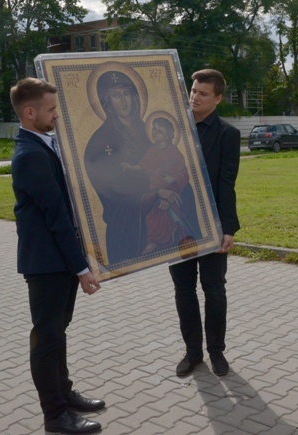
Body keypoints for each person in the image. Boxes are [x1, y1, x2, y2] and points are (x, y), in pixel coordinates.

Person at [10, 77, 105, 435]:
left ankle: (64, 393)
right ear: (30, 112)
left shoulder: (45, 144)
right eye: (51, 110)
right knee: (47, 338)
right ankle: (55, 415)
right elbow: (57, 218)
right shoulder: (30, 155)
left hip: (58, 260)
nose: (57, 116)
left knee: (57, 332)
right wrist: (82, 268)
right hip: (47, 264)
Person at [170, 69, 241, 377]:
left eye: (203, 93)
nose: (195, 97)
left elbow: (227, 184)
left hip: (211, 225)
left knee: (214, 290)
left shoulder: (228, 134)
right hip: (175, 224)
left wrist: (228, 229)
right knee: (183, 289)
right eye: (193, 91)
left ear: (218, 99)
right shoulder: (174, 129)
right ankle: (193, 352)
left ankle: (216, 351)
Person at [84, 69, 155, 266]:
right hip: (125, 222)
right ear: (107, 102)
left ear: (135, 97)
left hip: (155, 214)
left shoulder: (150, 130)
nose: (123, 102)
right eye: (116, 95)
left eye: (126, 94)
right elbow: (108, 185)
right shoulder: (100, 140)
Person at [125, 116, 200, 254]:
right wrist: (131, 167)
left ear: (168, 135)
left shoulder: (173, 152)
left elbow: (184, 173)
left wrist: (173, 179)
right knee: (151, 215)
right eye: (154, 129)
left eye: (159, 131)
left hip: (173, 190)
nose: (155, 133)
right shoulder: (152, 150)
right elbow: (143, 165)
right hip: (156, 189)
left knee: (165, 213)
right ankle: (153, 241)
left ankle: (170, 239)